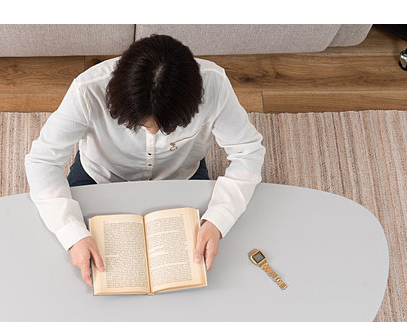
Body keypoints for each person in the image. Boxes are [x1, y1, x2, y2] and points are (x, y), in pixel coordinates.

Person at [25, 34, 266, 288]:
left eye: (165, 128)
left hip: (182, 176)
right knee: (69, 273)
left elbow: (248, 151)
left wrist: (219, 219)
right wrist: (72, 234)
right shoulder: (87, 90)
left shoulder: (215, 84)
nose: (153, 133)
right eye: (143, 125)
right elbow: (42, 161)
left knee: (204, 275)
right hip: (99, 176)